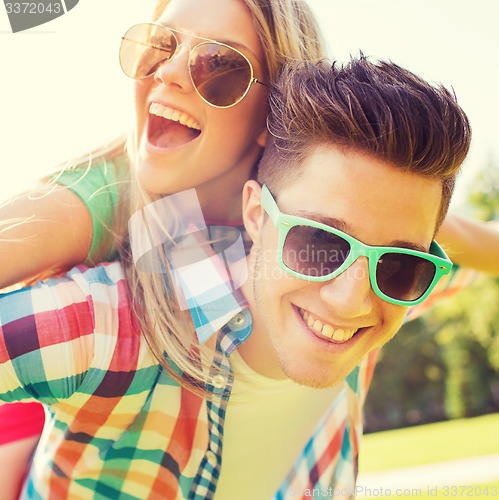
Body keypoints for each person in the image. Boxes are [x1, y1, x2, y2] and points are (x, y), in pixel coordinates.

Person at [0, 54, 471, 498]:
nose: (351, 300)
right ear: (255, 213)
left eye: (398, 266)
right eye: (319, 244)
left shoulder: (390, 308)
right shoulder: (118, 326)